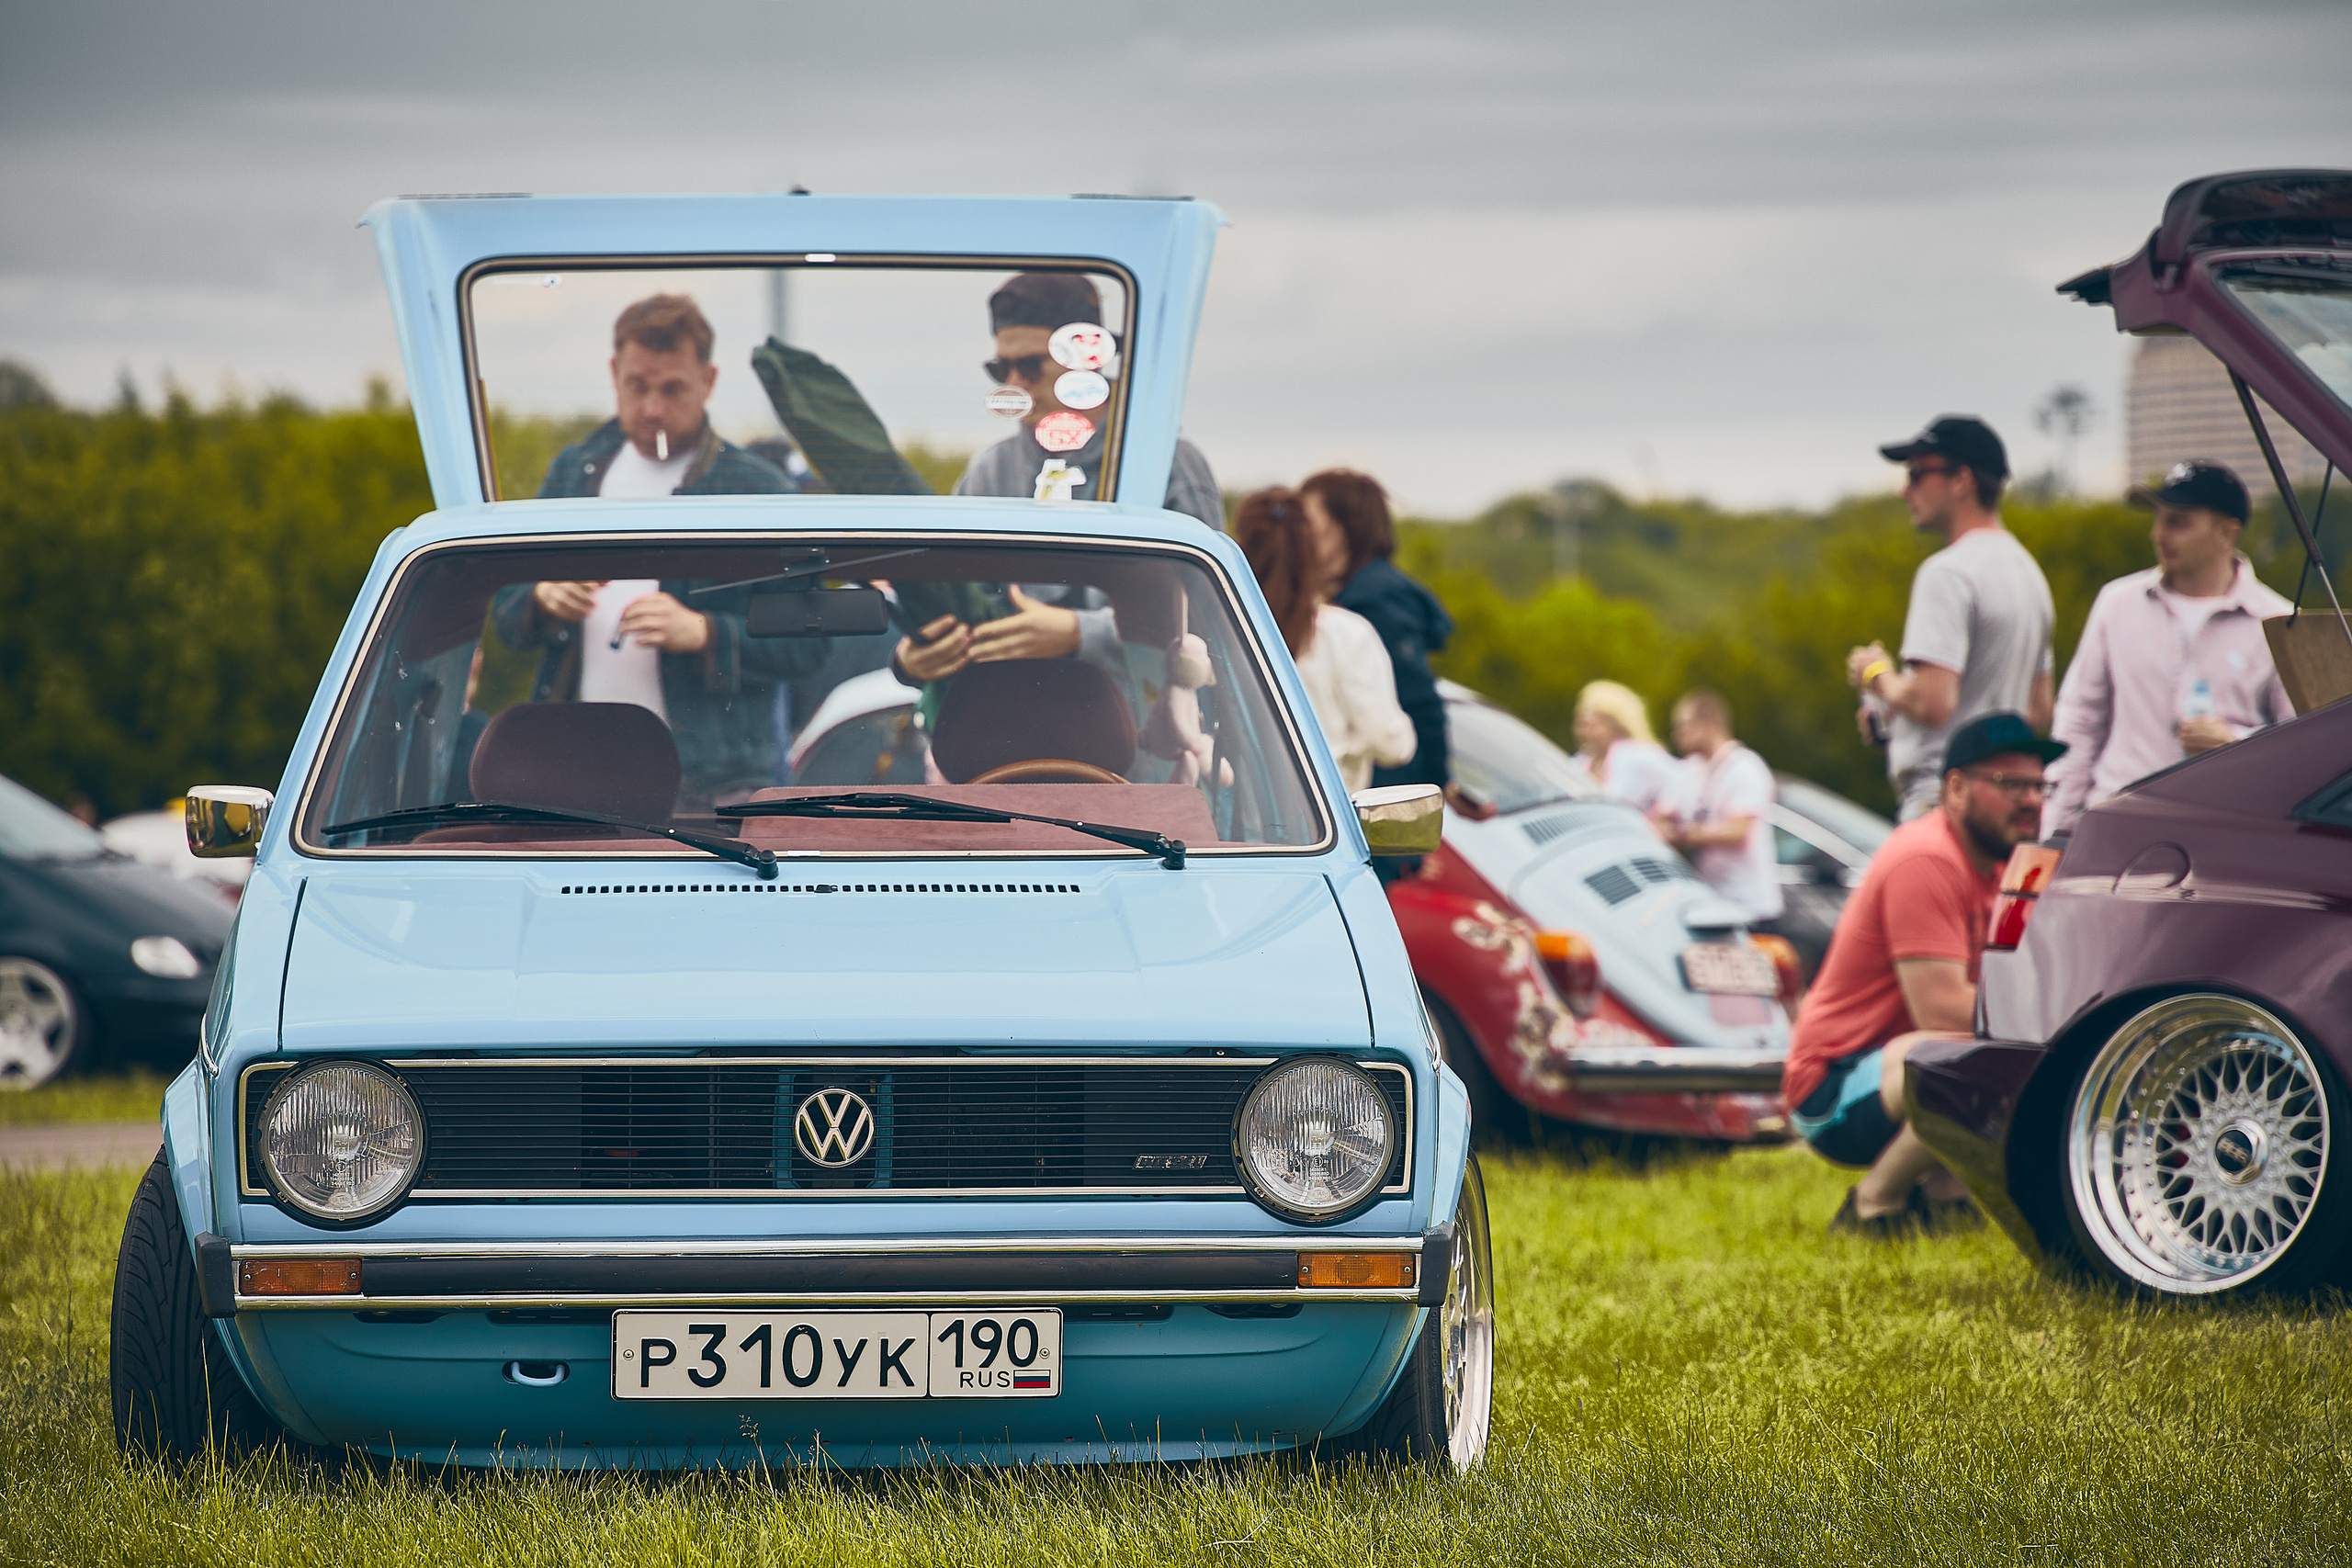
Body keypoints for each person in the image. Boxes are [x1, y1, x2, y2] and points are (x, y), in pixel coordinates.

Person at [491, 295, 822, 807]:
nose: (652, 409)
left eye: (673, 390)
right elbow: (506, 611)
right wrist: (542, 595)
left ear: (708, 381)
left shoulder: (763, 492)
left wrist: (703, 633)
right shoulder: (572, 473)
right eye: (637, 387)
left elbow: (807, 639)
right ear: (613, 373)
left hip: (713, 787)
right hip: (574, 774)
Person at [1782, 711, 2063, 1235]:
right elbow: (1942, 1011)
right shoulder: (1925, 859)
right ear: (1955, 788)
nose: (2032, 800)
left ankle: (1940, 1191)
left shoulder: (2004, 864)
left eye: (2039, 785)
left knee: (2002, 1048)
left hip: (1893, 1068)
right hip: (1832, 1087)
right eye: (2010, 784)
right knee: (1987, 1055)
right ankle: (1873, 1202)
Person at [897, 273, 1225, 683]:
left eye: (1030, 365)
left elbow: (1212, 623)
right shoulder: (988, 473)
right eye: (1000, 369)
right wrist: (911, 659)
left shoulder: (1171, 466)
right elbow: (954, 601)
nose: (1013, 384)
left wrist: (1081, 634)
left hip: (1147, 738)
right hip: (1013, 732)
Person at [2042, 460, 2292, 837]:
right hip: (2116, 826)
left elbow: (2304, 749)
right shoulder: (2117, 603)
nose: (2159, 534)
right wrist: (2054, 833)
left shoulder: (2280, 621)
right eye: (2158, 519)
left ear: (2227, 532)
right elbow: (2080, 723)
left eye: (2179, 521)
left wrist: (2235, 745)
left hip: (2225, 839)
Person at [1847, 416, 2054, 821]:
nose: (1907, 490)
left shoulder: (1947, 573)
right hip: (2001, 806)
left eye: (1918, 473)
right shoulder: (2030, 575)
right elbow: (2039, 711)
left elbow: (1932, 702)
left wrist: (1876, 676)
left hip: (1942, 798)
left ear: (1962, 481)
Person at [1235, 487, 1415, 791]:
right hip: (1327, 825)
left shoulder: (1218, 627)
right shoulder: (1346, 633)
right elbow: (1390, 744)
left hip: (1230, 824)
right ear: (1310, 548)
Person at [1303, 469, 1455, 794]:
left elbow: (1418, 699)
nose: (1299, 536)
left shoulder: (1373, 602)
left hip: (1384, 789)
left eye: (1308, 523)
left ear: (1344, 527)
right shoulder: (1357, 596)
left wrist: (1439, 782)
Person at [1654, 689, 1783, 927]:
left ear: (1710, 725)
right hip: (1705, 902)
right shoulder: (1689, 769)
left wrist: (1685, 836)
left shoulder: (1745, 767)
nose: (1677, 735)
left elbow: (1738, 831)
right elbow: (1659, 817)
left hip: (1749, 907)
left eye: (1685, 726)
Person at [1571, 681, 1682, 813]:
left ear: (1614, 725)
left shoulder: (1634, 755)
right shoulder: (1581, 761)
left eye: (1592, 726)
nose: (1585, 732)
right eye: (1582, 725)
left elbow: (1681, 776)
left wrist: (1663, 811)